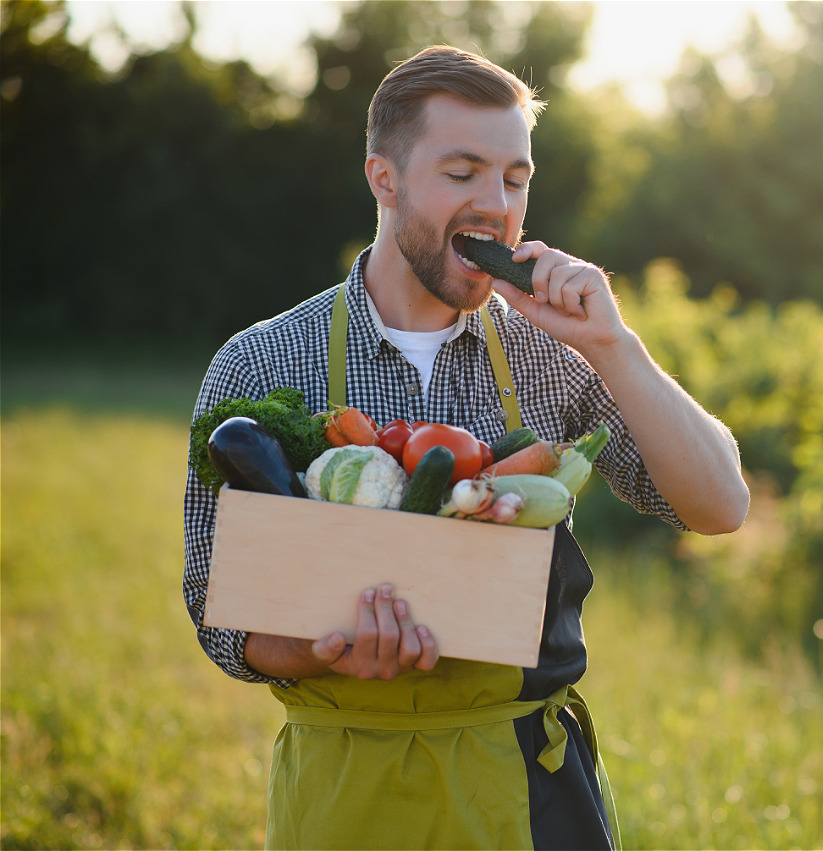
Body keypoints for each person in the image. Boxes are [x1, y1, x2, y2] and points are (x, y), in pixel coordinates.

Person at [183, 45, 749, 850]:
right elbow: (215, 608)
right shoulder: (264, 361)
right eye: (462, 173)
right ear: (384, 179)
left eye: (515, 178)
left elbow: (721, 506)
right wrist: (318, 648)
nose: (496, 204)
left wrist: (614, 345)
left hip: (525, 781)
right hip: (345, 790)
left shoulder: (554, 354)